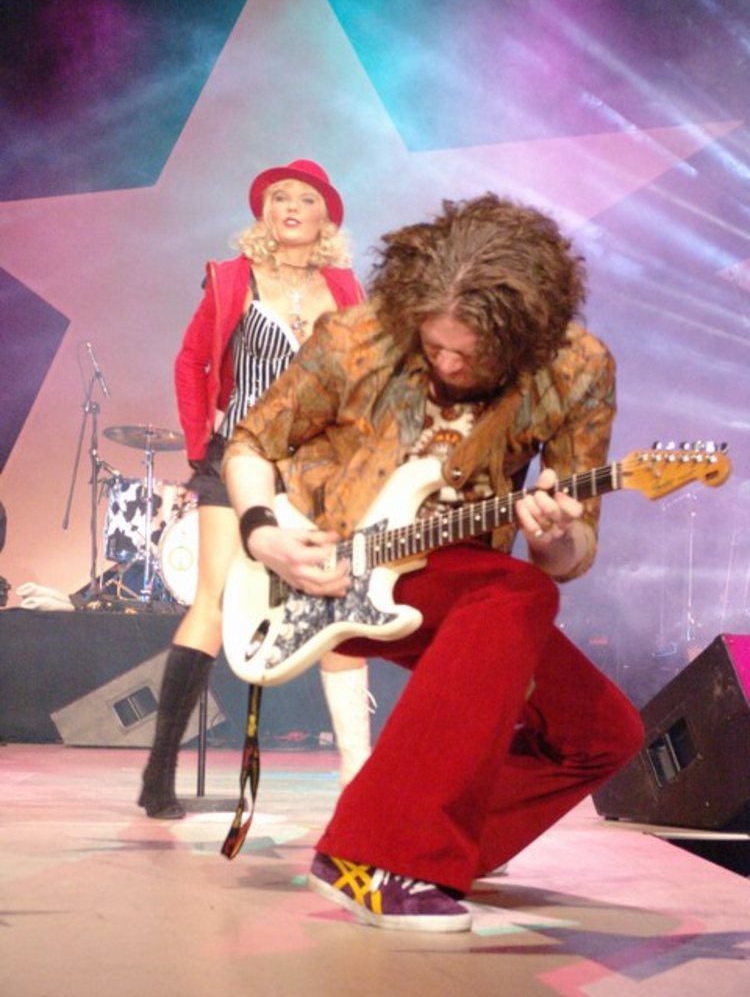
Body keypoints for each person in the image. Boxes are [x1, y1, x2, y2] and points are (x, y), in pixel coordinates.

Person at [222, 192, 645, 933]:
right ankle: (376, 855)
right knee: (516, 594)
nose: (448, 363)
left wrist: (552, 534)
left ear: (524, 338)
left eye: (470, 355)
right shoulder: (357, 337)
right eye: (435, 344)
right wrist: (262, 534)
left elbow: (570, 553)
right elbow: (251, 445)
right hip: (330, 566)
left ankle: (437, 848)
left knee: (604, 734)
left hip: (460, 578)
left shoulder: (575, 368)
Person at [138, 160, 369, 819]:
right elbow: (191, 361)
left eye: (304, 198)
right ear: (264, 213)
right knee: (211, 600)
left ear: (326, 216)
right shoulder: (233, 277)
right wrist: (197, 443)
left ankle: (358, 779)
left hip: (319, 467)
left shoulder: (346, 288)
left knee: (337, 602)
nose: (289, 206)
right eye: (278, 197)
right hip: (239, 451)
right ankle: (158, 773)